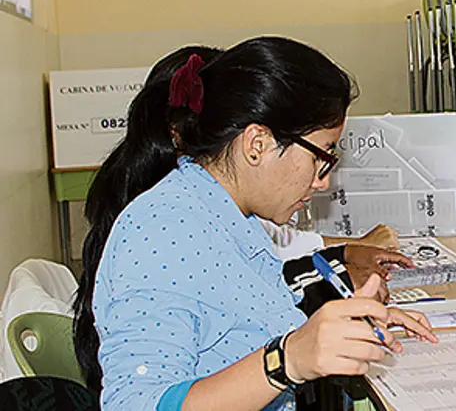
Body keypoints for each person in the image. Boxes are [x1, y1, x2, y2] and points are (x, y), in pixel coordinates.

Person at [77, 37, 437, 411]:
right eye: (321, 156)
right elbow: (136, 404)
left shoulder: (228, 214)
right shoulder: (162, 230)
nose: (323, 180)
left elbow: (243, 329)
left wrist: (341, 331)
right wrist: (288, 359)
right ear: (257, 144)